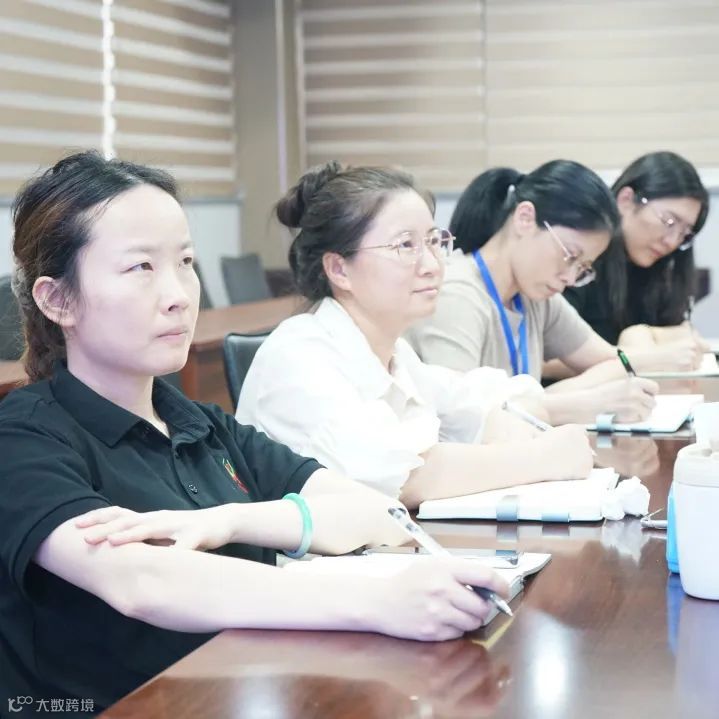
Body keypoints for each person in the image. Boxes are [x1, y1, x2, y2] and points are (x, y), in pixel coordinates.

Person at [0, 152, 509, 713]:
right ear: (57, 300)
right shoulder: (23, 439)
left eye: (186, 261)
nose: (179, 293)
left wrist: (230, 520)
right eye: (140, 267)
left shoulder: (203, 426)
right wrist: (373, 598)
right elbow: (141, 581)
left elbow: (377, 513)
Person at [236, 161, 593, 507]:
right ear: (339, 269)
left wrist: (503, 424)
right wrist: (543, 458)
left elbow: (480, 403)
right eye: (405, 246)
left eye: (434, 241)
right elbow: (405, 478)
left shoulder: (395, 354)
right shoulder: (299, 356)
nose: (433, 265)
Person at [405, 161, 660, 425]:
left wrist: (542, 400)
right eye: (570, 256)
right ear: (525, 219)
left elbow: (614, 363)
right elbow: (459, 419)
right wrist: (574, 403)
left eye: (582, 268)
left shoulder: (534, 296)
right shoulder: (456, 296)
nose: (570, 278)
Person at [564, 151, 710, 367]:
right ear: (625, 200)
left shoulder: (662, 274)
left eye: (684, 233)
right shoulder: (579, 262)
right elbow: (543, 356)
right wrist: (636, 359)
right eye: (669, 221)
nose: (672, 242)